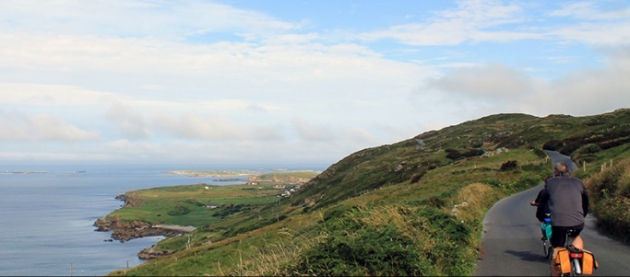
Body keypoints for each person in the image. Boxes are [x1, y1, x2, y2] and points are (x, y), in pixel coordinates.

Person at [537, 162, 589, 276]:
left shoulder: (550, 183)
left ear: (555, 172)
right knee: (575, 236)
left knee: (557, 250)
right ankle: (577, 260)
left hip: (558, 223)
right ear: (568, 171)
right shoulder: (578, 182)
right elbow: (585, 201)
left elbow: (542, 202)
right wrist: (582, 216)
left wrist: (540, 216)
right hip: (578, 221)